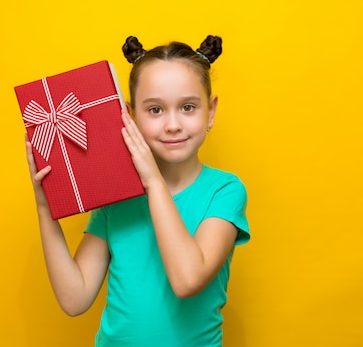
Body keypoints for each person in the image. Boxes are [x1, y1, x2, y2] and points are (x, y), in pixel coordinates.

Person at [25, 35, 250, 347]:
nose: (173, 124)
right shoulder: (115, 196)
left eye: (187, 107)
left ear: (210, 111)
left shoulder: (224, 191)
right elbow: (74, 299)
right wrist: (45, 208)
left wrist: (153, 181)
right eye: (155, 110)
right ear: (129, 116)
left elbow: (187, 279)